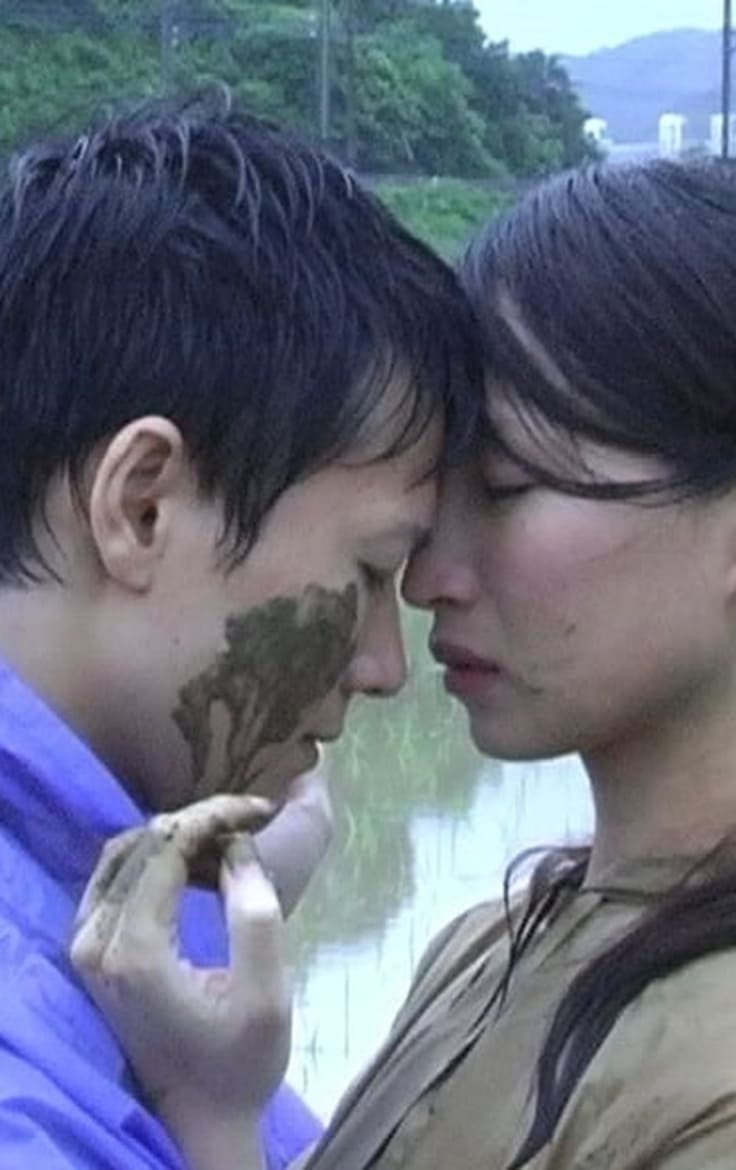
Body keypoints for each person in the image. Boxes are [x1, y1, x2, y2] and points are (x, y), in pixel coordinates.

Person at [73, 154, 736, 1170]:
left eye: (504, 488)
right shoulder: (491, 948)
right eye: (434, 503)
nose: (426, 577)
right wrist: (218, 1113)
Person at [0, 90, 479, 1170]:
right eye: (367, 573)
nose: (386, 666)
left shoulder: (111, 902)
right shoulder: (31, 1106)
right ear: (142, 508)